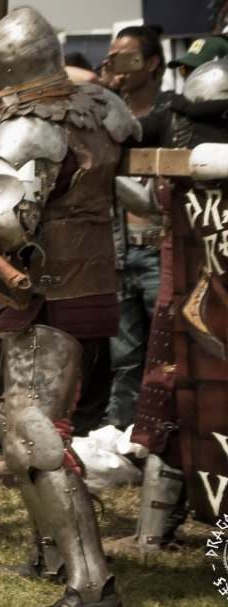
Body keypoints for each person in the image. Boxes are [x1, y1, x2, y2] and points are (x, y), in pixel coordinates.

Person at [0, 7, 135, 606]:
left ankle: (91, 584)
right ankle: (50, 550)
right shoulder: (101, 108)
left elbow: (9, 225)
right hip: (88, 279)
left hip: (49, 291)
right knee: (13, 424)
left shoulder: (26, 127)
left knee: (37, 435)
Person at [119, 60, 228, 555]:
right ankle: (153, 533)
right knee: (172, 396)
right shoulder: (179, 163)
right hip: (179, 291)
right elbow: (147, 199)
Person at [102, 27, 170, 430]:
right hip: (120, 249)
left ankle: (168, 437)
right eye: (110, 57)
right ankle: (122, 436)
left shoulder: (175, 115)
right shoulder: (107, 116)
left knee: (172, 351)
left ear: (152, 64)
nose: (115, 65)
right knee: (124, 358)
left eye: (125, 59)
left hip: (162, 247)